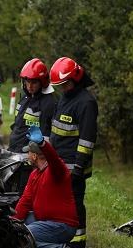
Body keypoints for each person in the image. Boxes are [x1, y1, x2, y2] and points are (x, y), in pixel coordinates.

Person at [49, 57, 98, 248]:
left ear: (76, 79)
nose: (63, 88)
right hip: (59, 164)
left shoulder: (86, 103)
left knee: (75, 205)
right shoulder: (65, 98)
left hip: (74, 167)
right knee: (59, 205)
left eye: (65, 84)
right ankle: (63, 237)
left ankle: (78, 242)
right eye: (60, 85)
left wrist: (78, 167)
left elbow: (87, 140)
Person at [14, 126, 78, 247]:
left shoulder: (57, 170)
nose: (27, 155)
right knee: (15, 232)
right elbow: (25, 201)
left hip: (62, 225)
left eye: (28, 152)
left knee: (23, 236)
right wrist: (11, 222)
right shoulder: (34, 174)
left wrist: (43, 144)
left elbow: (54, 159)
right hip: (44, 221)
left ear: (34, 156)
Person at [8, 58, 56, 153]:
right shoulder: (24, 98)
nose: (30, 86)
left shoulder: (48, 102)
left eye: (34, 82)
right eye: (27, 81)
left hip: (30, 156)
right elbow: (17, 125)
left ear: (42, 82)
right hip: (14, 150)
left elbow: (46, 134)